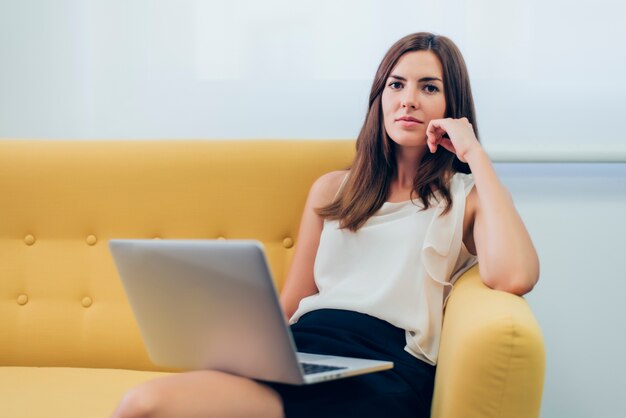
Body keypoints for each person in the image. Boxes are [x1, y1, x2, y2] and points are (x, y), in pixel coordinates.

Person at [111, 31, 539, 418]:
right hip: (304, 350)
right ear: (380, 98)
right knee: (145, 405)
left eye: (429, 87)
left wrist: (476, 156)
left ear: (453, 107)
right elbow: (294, 301)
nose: (408, 99)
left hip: (385, 368)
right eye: (396, 84)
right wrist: (242, 353)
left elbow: (514, 275)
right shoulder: (334, 190)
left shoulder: (466, 197)